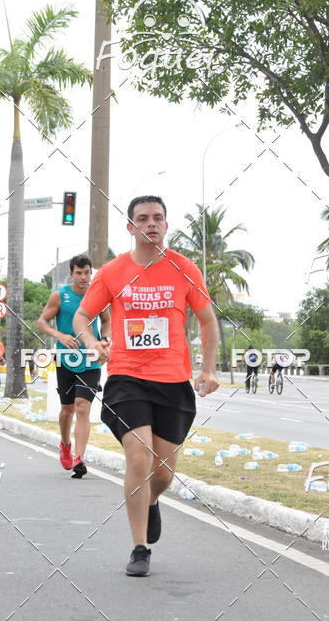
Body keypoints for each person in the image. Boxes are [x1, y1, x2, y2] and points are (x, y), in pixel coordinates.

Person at [74, 195, 220, 577]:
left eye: (157, 218)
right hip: (127, 377)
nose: (150, 224)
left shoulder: (184, 269)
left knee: (163, 474)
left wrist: (208, 369)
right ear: (131, 227)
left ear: (166, 225)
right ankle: (140, 547)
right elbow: (83, 316)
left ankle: (151, 501)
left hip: (173, 381)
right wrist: (92, 344)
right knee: (138, 457)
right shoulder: (112, 272)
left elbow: (206, 321)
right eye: (143, 218)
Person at [37, 255, 110, 479]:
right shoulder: (60, 296)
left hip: (90, 358)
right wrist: (61, 335)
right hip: (65, 358)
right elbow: (42, 322)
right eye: (78, 273)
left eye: (86, 272)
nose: (83, 277)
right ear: (71, 273)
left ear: (90, 273)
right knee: (67, 410)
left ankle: (79, 458)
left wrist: (104, 340)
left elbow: (106, 319)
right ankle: (65, 444)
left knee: (82, 408)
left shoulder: (97, 295)